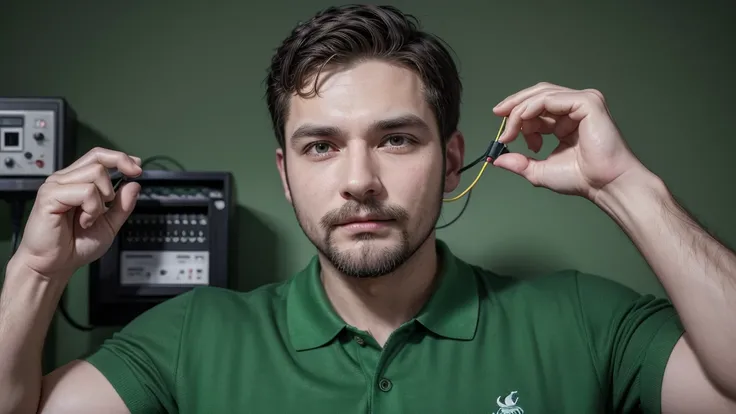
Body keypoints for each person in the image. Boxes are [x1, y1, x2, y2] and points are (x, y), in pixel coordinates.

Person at [1, 4, 734, 414]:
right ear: (286, 176)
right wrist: (36, 270)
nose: (359, 181)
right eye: (321, 146)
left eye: (395, 139)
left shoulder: (582, 321)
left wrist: (626, 185)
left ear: (452, 160)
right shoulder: (191, 340)